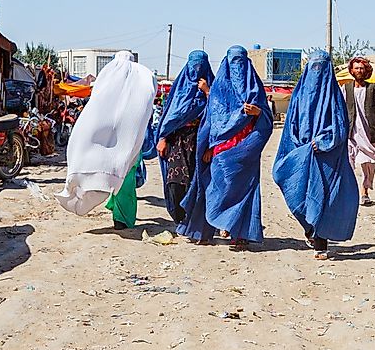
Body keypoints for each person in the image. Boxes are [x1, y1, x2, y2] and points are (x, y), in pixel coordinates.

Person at [273, 50, 359, 260]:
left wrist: (322, 142)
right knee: (295, 193)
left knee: (323, 197)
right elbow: (289, 127)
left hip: (326, 156)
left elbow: (340, 126)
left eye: (321, 67)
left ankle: (321, 243)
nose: (317, 73)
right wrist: (300, 148)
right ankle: (310, 228)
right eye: (313, 67)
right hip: (301, 154)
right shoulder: (299, 95)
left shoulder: (334, 97)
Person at [55, 51, 156, 229]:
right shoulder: (143, 80)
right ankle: (122, 217)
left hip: (109, 137)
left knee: (115, 173)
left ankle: (120, 217)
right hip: (131, 140)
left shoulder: (108, 77)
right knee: (126, 178)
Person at [204, 45, 273, 250]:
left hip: (247, 147)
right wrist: (209, 145)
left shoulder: (255, 89)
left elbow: (267, 118)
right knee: (222, 188)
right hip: (222, 148)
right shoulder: (218, 89)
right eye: (233, 62)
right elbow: (212, 120)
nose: (237, 67)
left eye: (241, 62)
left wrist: (257, 113)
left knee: (245, 190)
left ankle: (240, 233)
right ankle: (225, 221)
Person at [156, 50, 216, 244]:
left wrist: (208, 92)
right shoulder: (179, 89)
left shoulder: (214, 89)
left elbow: (219, 114)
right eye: (193, 64)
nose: (196, 69)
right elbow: (169, 117)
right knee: (175, 184)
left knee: (198, 185)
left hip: (201, 143)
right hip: (177, 142)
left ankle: (196, 226)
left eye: (200, 65)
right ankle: (182, 221)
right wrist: (163, 137)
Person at [341, 57, 375, 205]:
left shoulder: (374, 89)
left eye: (362, 68)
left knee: (368, 163)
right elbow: (337, 108)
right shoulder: (345, 89)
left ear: (366, 71)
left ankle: (365, 191)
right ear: (351, 70)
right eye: (356, 68)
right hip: (350, 133)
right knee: (348, 162)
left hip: (370, 133)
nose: (359, 71)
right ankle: (349, 193)